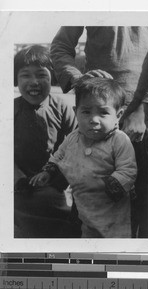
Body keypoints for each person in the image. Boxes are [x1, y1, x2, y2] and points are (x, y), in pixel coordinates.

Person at [50, 26, 148, 237]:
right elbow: (60, 45)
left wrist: (144, 108)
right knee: (88, 204)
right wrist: (79, 80)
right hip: (94, 117)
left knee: (145, 209)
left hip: (142, 118)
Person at [31, 77, 137, 238]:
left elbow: (128, 171)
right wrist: (48, 172)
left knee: (114, 242)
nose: (93, 120)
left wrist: (102, 184)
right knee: (87, 236)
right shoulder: (74, 137)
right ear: (76, 112)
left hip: (112, 212)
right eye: (86, 112)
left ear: (118, 115)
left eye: (103, 113)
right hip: (85, 210)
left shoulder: (118, 140)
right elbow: (59, 156)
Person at [14, 45, 77, 238]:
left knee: (58, 225)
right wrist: (18, 179)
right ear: (16, 79)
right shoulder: (9, 110)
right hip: (18, 185)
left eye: (42, 75)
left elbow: (75, 145)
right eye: (25, 75)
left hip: (53, 183)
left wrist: (56, 178)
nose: (34, 82)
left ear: (52, 78)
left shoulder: (61, 106)